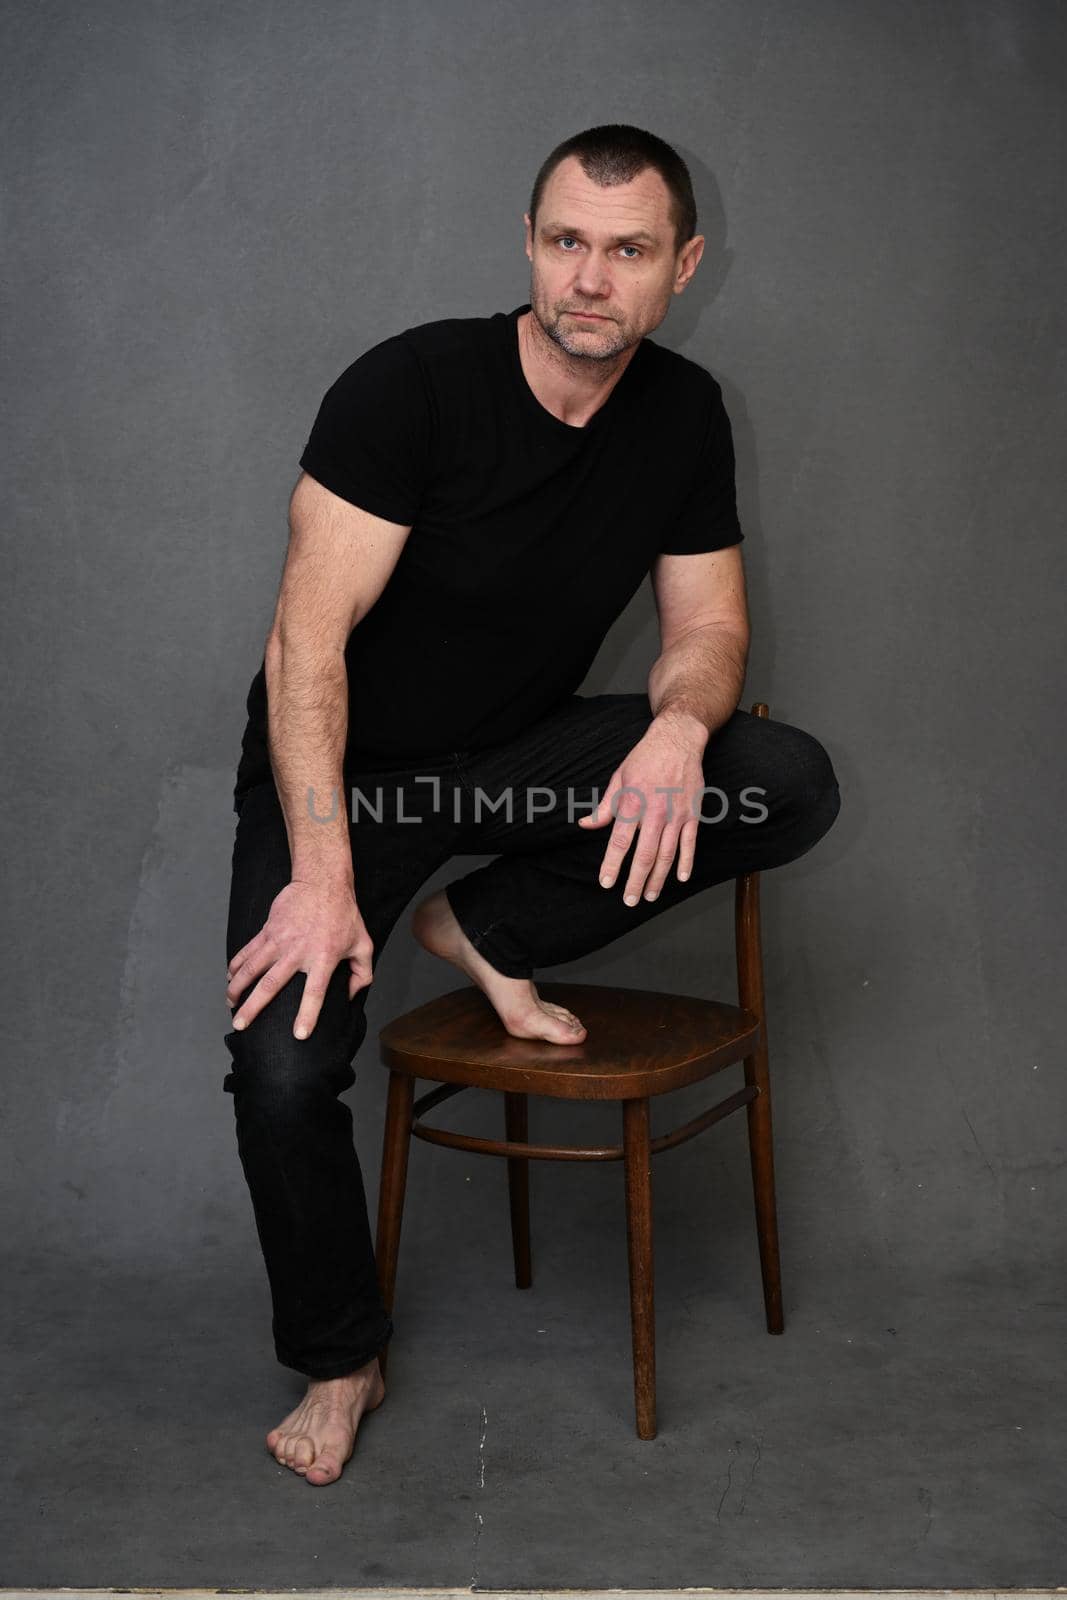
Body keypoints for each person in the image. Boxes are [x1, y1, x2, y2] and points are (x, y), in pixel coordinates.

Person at [223, 123, 841, 1487]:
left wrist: (681, 725)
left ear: (682, 265)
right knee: (280, 1070)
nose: (590, 278)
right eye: (566, 241)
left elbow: (710, 624)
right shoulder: (412, 390)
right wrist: (322, 874)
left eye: (627, 252)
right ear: (529, 245)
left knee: (777, 779)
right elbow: (302, 645)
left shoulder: (681, 415)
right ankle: (342, 1355)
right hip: (346, 774)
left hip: (523, 755)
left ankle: (483, 927)